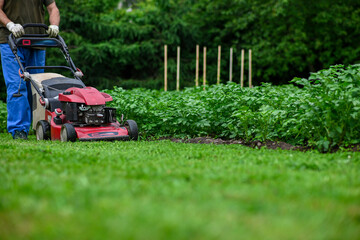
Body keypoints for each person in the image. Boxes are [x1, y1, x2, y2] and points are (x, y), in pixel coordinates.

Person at [0, 0, 60, 140]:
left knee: (37, 88)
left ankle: (41, 126)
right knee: (17, 85)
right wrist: (9, 24)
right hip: (11, 41)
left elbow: (53, 8)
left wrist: (54, 26)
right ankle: (19, 129)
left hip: (37, 41)